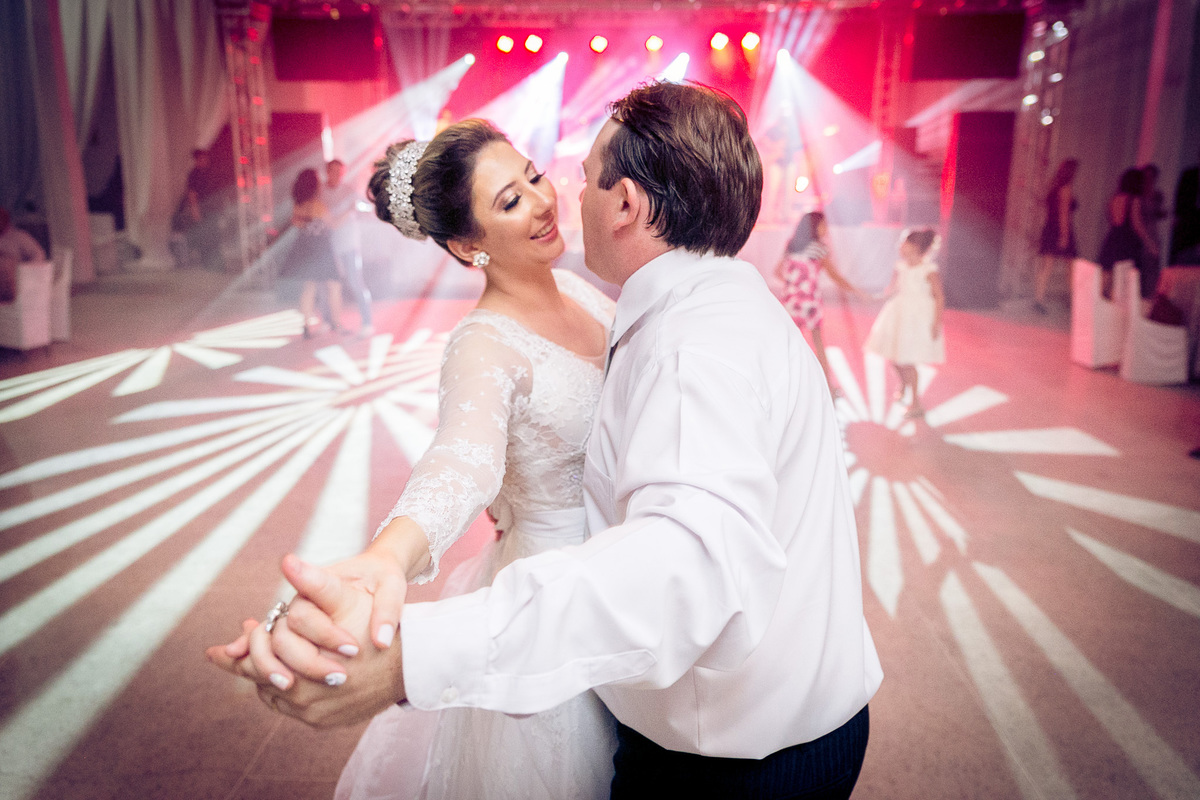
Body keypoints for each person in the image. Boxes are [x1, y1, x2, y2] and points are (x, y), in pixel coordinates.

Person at [210, 81, 882, 800]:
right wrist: (389, 556)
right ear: (468, 245)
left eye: (553, 177)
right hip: (581, 618)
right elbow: (460, 463)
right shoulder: (510, 337)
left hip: (669, 675)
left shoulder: (641, 321)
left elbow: (681, 563)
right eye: (510, 199)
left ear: (624, 204)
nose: (551, 197)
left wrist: (416, 659)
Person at [774, 210, 859, 397]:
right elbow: (835, 276)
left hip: (791, 303)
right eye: (823, 225)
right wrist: (856, 291)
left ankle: (782, 387)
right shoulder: (820, 249)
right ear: (814, 227)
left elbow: (778, 271)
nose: (826, 229)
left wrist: (794, 285)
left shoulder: (792, 245)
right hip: (810, 304)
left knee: (788, 345)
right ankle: (828, 387)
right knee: (818, 345)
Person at [864, 227, 945, 419]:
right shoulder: (899, 267)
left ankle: (915, 403)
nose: (901, 246)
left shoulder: (929, 270)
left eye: (904, 243)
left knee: (908, 361)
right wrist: (875, 298)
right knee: (894, 359)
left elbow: (939, 297)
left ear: (915, 246)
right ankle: (904, 384)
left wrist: (936, 323)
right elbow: (891, 290)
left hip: (916, 320)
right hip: (897, 316)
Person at [282, 168, 345, 338]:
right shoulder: (317, 206)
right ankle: (337, 324)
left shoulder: (298, 204)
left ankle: (305, 326)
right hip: (321, 249)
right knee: (334, 285)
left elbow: (296, 223)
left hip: (305, 248)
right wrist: (351, 211)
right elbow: (333, 224)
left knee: (309, 288)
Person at [324, 159, 375, 336]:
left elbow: (367, 208)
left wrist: (356, 209)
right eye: (333, 171)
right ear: (327, 171)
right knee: (327, 285)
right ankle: (328, 321)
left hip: (348, 244)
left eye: (340, 171)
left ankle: (367, 323)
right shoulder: (321, 192)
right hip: (328, 246)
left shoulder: (348, 191)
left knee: (355, 282)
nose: (336, 174)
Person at [1096, 168, 1158, 302]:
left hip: (1113, 236)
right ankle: (1115, 310)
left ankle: (1097, 304)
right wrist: (1150, 244)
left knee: (1106, 274)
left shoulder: (1115, 198)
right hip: (1127, 241)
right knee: (1123, 277)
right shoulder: (1134, 199)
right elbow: (1137, 224)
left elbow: (1112, 218)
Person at [1033, 158, 1079, 314]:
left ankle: (1038, 299)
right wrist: (1065, 235)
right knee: (1071, 266)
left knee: (1047, 266)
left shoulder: (1053, 185)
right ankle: (1072, 301)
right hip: (1060, 229)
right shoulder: (1066, 188)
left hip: (1049, 228)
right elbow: (1064, 214)